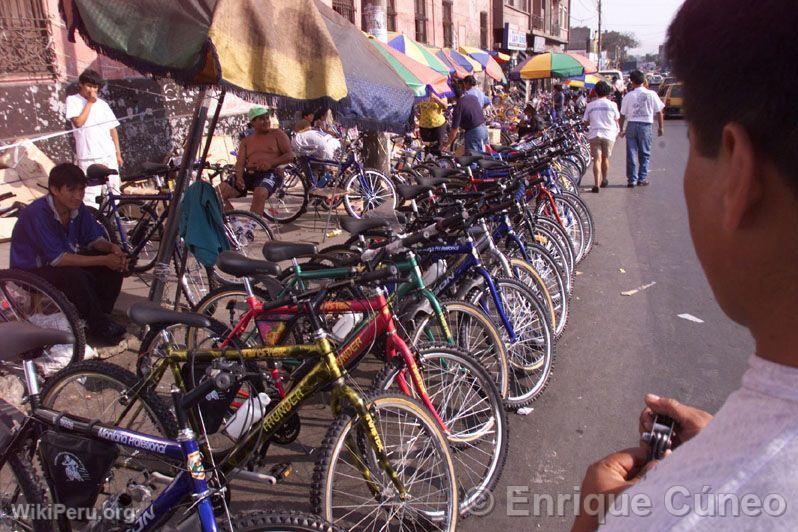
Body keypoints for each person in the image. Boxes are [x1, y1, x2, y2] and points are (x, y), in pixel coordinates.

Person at [573, 0, 798, 529]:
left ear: (737, 171)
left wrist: (595, 520)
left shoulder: (671, 514)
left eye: (694, 138)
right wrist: (729, 438)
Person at [10, 163, 127, 343]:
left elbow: (93, 239)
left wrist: (112, 249)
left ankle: (99, 318)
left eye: (81, 190)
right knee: (75, 275)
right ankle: (99, 325)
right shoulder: (37, 213)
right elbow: (58, 260)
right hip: (29, 272)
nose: (78, 195)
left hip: (59, 264)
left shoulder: (77, 209)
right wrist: (103, 259)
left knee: (117, 265)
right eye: (71, 190)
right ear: (54, 190)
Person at [218, 106, 294, 214]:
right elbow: (240, 163)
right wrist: (239, 177)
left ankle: (250, 228)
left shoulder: (277, 134)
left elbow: (290, 155)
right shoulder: (246, 141)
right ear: (253, 123)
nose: (266, 121)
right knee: (218, 193)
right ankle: (235, 225)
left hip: (271, 173)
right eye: (261, 119)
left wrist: (271, 163)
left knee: (260, 193)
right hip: (249, 174)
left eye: (267, 118)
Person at [65, 69, 123, 208]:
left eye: (95, 87)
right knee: (91, 194)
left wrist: (118, 153)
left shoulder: (102, 104)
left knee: (114, 191)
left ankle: (112, 223)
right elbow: (78, 122)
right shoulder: (72, 100)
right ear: (81, 84)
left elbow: (112, 129)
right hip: (89, 155)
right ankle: (93, 223)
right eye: (89, 86)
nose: (92, 90)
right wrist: (90, 103)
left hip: (108, 154)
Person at [619, 70, 665, 187]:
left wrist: (621, 129)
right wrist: (660, 127)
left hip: (632, 125)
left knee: (631, 153)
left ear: (632, 81)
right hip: (645, 126)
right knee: (645, 153)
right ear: (644, 80)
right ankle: (642, 178)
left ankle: (632, 180)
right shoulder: (652, 94)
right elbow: (659, 112)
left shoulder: (629, 96)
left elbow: (622, 115)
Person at [582, 81, 620, 193]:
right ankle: (604, 179)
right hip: (609, 134)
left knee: (597, 159)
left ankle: (596, 184)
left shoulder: (590, 105)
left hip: (594, 134)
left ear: (596, 92)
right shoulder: (613, 105)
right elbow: (616, 119)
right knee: (605, 158)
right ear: (608, 92)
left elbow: (585, 121)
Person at [446, 83, 487, 154]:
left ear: (452, 95)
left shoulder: (458, 106)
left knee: (473, 159)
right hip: (484, 129)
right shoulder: (472, 97)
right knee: (481, 157)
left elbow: (454, 131)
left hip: (474, 132)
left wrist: (447, 144)